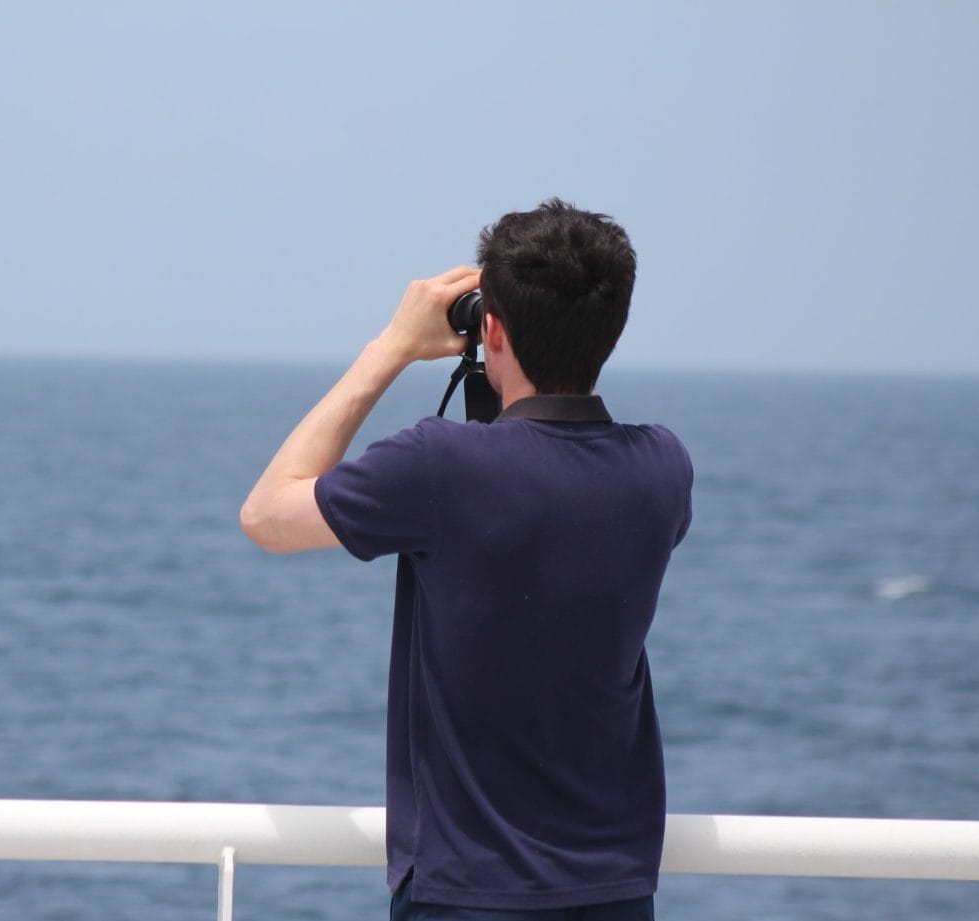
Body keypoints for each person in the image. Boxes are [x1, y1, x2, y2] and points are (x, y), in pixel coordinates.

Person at [240, 199, 693, 920]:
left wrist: (393, 343)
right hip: (614, 889)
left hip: (465, 893)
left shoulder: (440, 465)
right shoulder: (663, 467)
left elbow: (265, 515)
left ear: (492, 329)